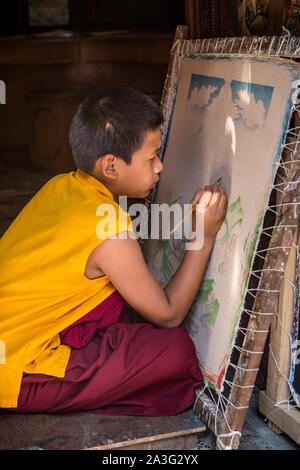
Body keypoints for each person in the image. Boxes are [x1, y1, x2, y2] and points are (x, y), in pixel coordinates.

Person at [0, 87, 227, 416]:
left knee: (119, 304)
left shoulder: (61, 185)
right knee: (176, 352)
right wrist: (203, 237)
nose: (160, 167)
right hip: (15, 367)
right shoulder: (110, 230)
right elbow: (169, 315)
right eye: (151, 158)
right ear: (110, 166)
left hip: (13, 334)